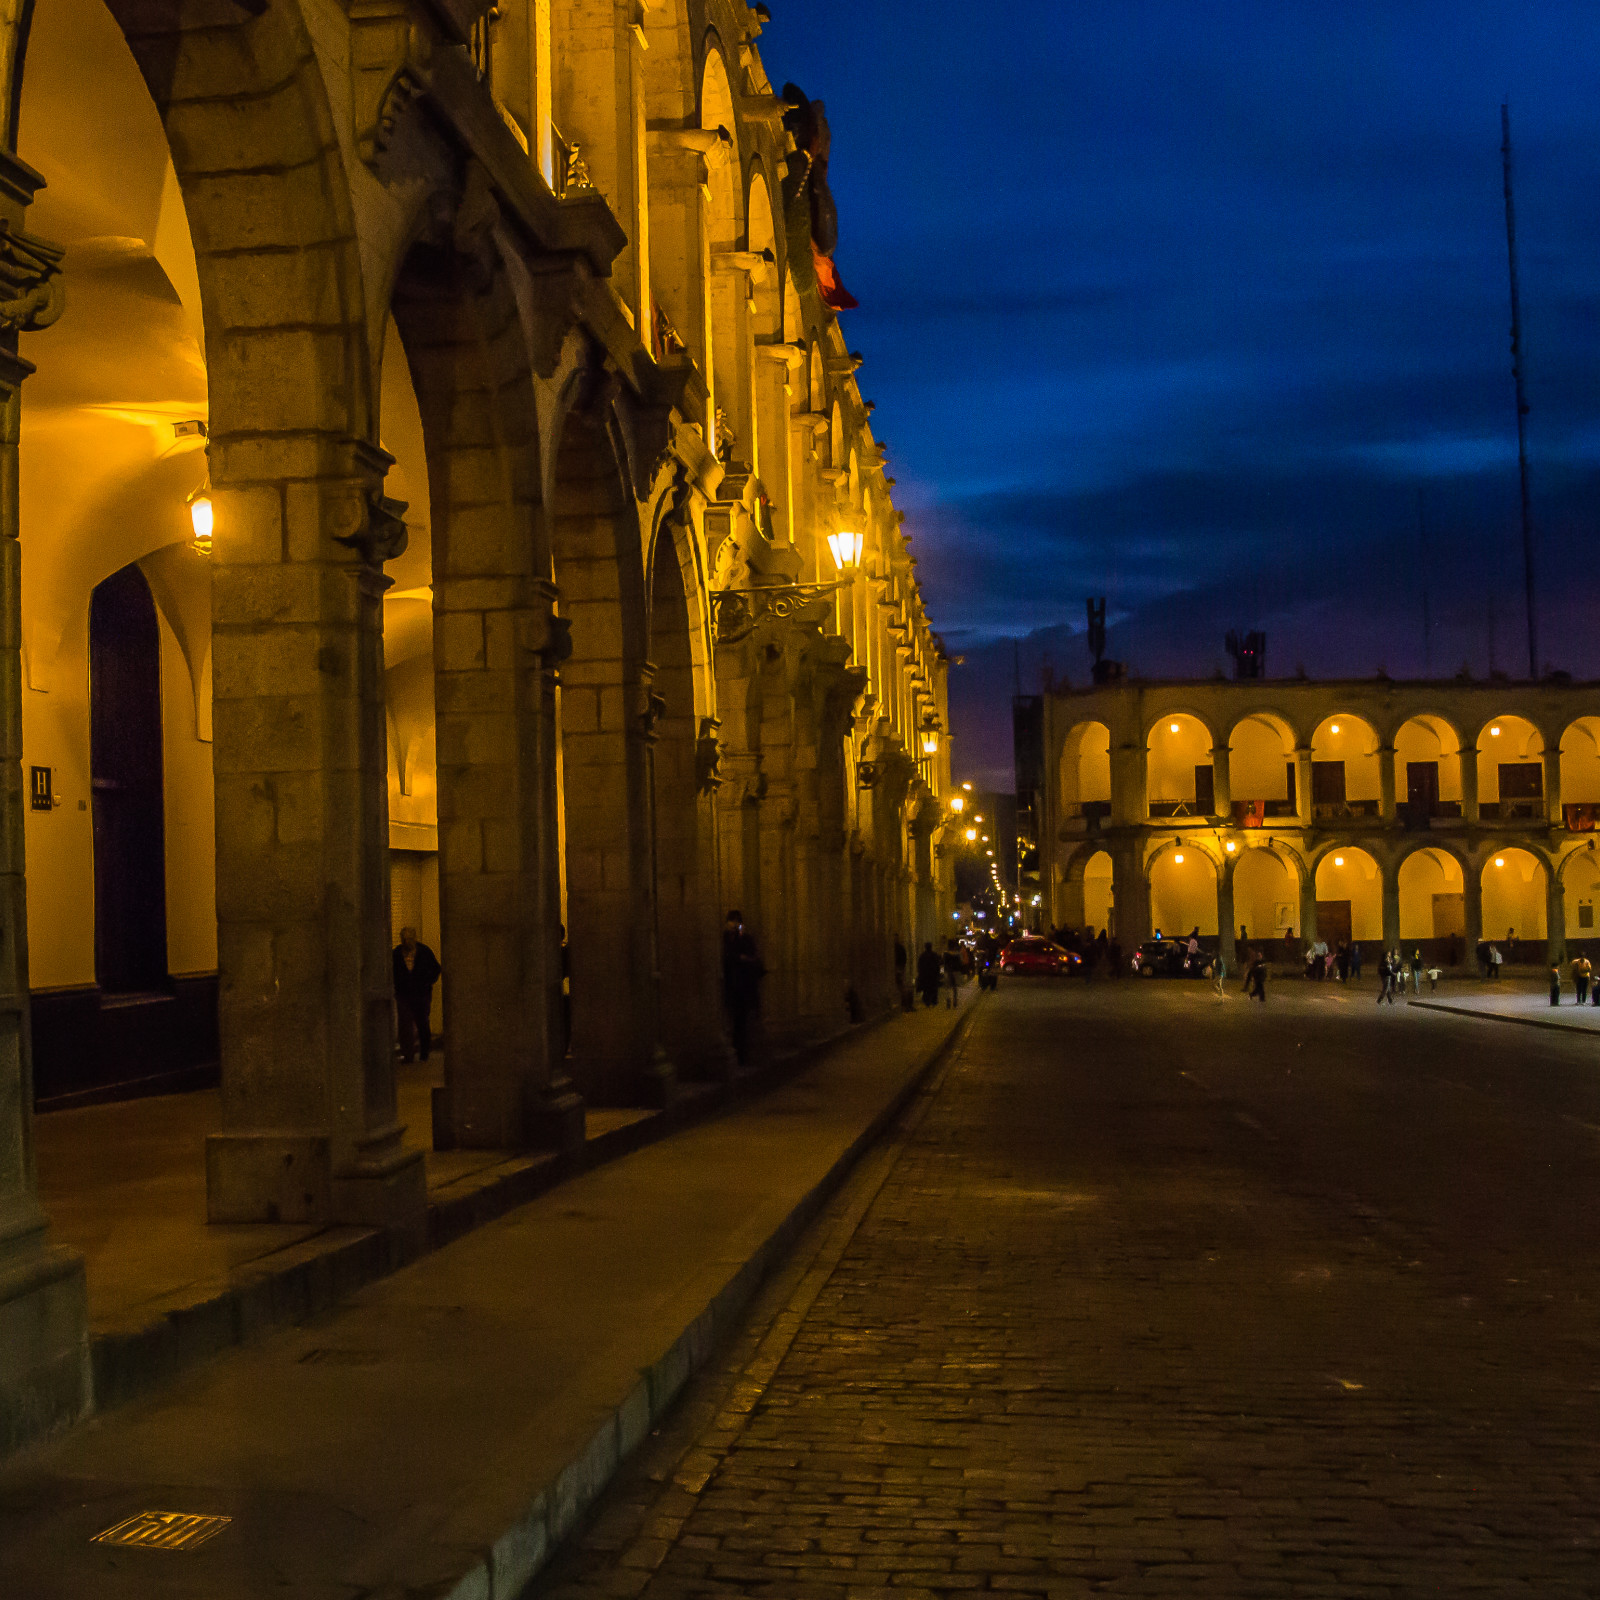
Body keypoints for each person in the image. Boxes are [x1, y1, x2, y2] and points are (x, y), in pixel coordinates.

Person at [393, 925, 442, 1063]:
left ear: (414, 939)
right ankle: (408, 1054)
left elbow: (435, 969)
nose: (406, 941)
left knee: (422, 1023)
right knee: (405, 1023)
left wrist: (426, 983)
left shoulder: (424, 952)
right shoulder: (396, 954)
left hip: (421, 994)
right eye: (404, 939)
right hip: (403, 995)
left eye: (409, 938)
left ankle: (424, 1052)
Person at [722, 909, 765, 1064]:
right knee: (732, 1021)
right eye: (732, 921)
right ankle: (736, 1053)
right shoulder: (725, 939)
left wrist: (742, 942)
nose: (734, 925)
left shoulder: (746, 939)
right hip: (731, 986)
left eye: (737, 922)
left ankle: (742, 1056)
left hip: (743, 987)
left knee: (742, 1023)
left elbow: (751, 957)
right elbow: (728, 957)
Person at [916, 940, 942, 1007]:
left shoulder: (922, 956)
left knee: (926, 989)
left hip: (925, 975)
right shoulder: (934, 955)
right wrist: (938, 973)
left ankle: (927, 1001)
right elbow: (937, 965)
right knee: (933, 988)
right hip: (933, 975)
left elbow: (920, 966)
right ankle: (933, 1001)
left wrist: (920, 973)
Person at [942, 939, 964, 1008]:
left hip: (948, 971)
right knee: (955, 987)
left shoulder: (945, 953)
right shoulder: (958, 954)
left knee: (947, 987)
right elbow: (961, 962)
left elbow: (943, 962)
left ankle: (948, 1001)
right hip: (956, 972)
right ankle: (955, 1001)